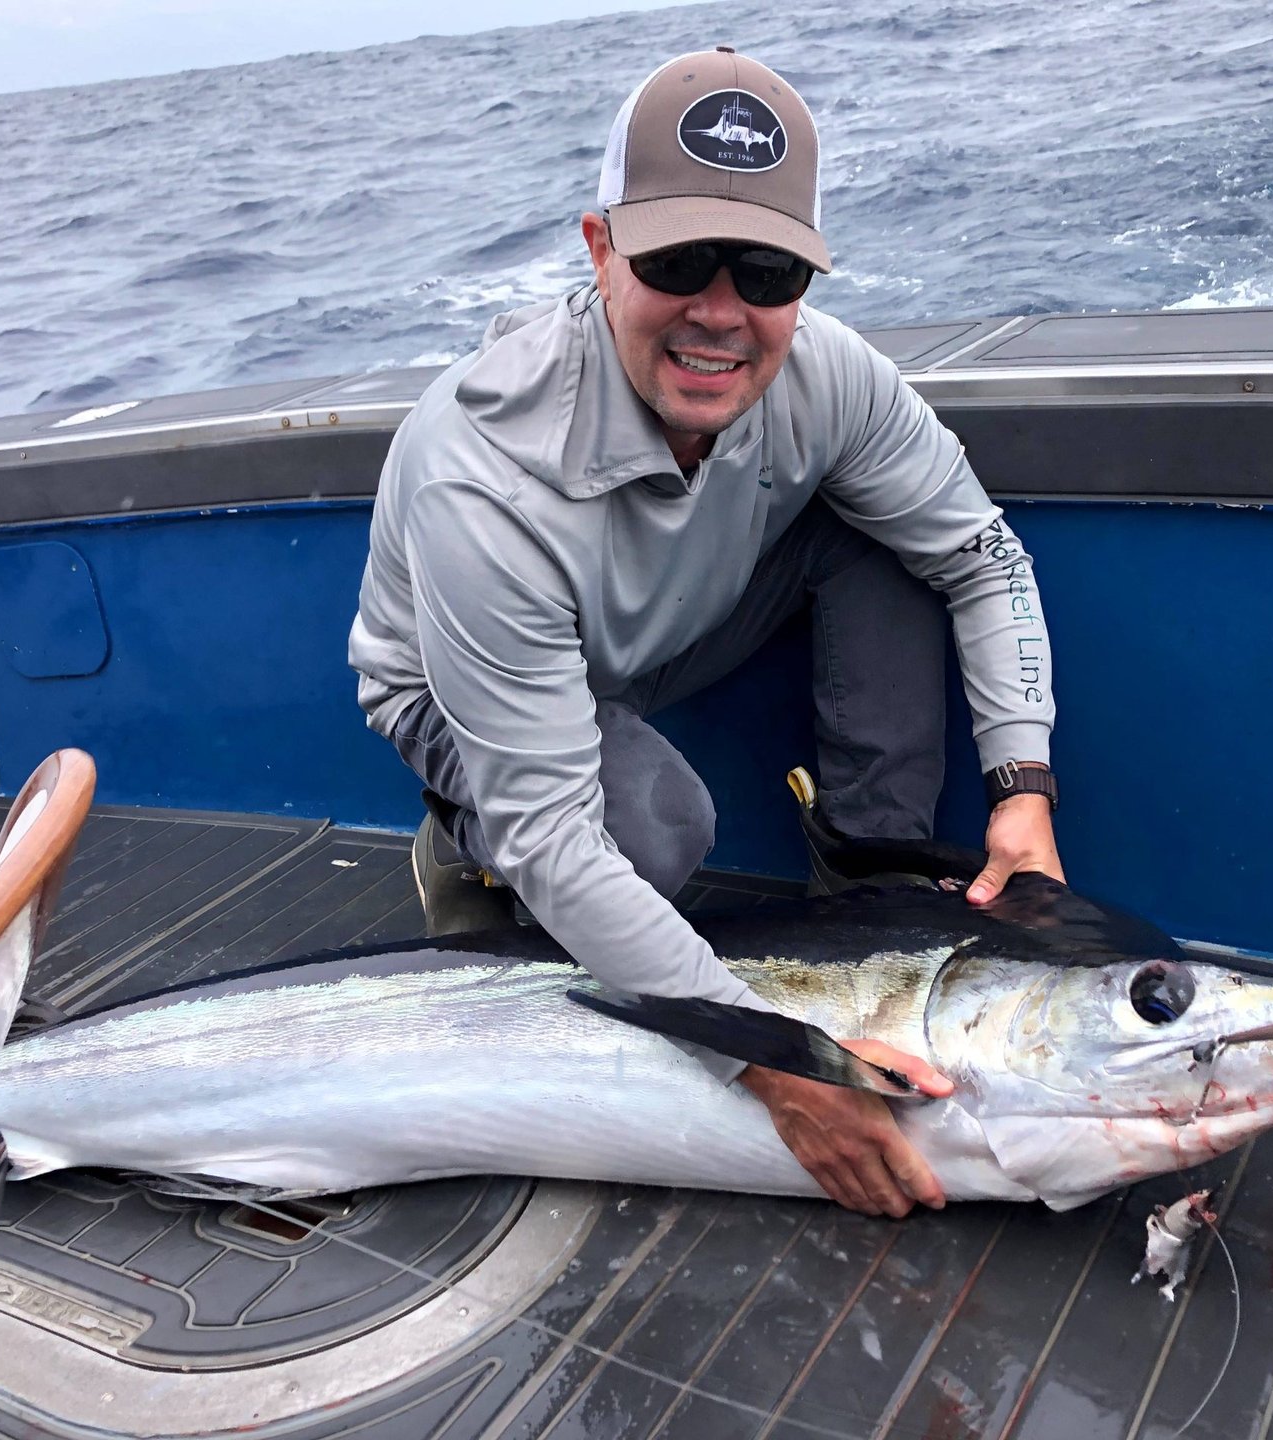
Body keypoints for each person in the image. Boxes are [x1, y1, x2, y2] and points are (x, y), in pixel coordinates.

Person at [349, 47, 1063, 1219]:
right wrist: (774, 1060)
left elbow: (983, 558)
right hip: (457, 691)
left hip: (664, 624)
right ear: (599, 249)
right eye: (677, 262)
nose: (721, 313)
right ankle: (455, 842)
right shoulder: (481, 477)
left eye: (769, 270)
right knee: (649, 827)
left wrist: (1022, 786)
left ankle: (869, 885)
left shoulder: (833, 380)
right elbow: (561, 838)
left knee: (888, 537)